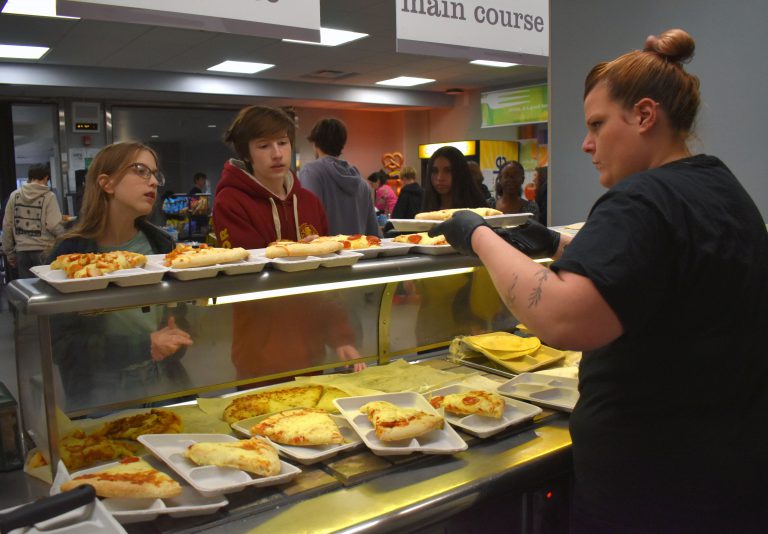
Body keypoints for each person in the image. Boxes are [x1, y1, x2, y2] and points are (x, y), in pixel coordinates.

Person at [430, 29, 768, 533]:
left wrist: (477, 234)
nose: (586, 144)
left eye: (597, 124)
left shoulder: (641, 197)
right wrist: (556, 245)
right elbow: (658, 277)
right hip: (726, 471)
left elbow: (562, 319)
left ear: (645, 115)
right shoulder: (718, 185)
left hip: (655, 489)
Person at [214, 105, 364, 378]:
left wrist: (341, 336)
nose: (277, 153)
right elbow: (248, 274)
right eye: (264, 145)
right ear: (246, 152)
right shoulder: (230, 202)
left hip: (311, 347)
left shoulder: (309, 202)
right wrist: (301, 253)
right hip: (259, 350)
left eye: (282, 142)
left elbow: (326, 280)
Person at [47, 142, 193, 407]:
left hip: (164, 386)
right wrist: (144, 345)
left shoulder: (161, 245)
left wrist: (176, 339)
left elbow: (179, 315)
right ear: (107, 183)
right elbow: (62, 345)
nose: (153, 183)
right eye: (141, 171)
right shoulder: (70, 254)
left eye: (155, 174)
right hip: (99, 397)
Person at [299, 118, 380, 236]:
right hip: (359, 252)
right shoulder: (363, 184)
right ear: (342, 144)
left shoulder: (311, 173)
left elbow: (309, 222)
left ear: (315, 143)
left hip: (326, 253)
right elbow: (374, 233)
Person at [2, 163, 65, 278]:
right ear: (46, 177)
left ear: (30, 177)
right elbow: (53, 225)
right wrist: (65, 237)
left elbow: (7, 226)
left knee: (28, 289)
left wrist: (9, 253)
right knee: (46, 290)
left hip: (22, 253)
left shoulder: (14, 196)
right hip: (44, 251)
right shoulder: (49, 196)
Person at [421, 146, 487, 212]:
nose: (440, 178)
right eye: (434, 171)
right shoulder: (427, 208)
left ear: (460, 173)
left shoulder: (480, 210)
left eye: (448, 171)